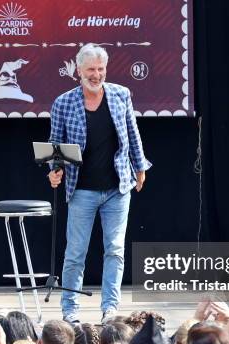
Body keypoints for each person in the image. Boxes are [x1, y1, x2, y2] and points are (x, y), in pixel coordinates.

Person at [48, 43, 152, 324]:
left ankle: (110, 310)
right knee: (75, 253)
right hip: (81, 189)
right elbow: (54, 145)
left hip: (118, 188)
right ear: (78, 70)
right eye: (91, 69)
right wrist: (55, 169)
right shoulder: (63, 102)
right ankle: (70, 310)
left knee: (115, 250)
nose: (96, 74)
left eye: (101, 69)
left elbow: (133, 131)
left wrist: (140, 166)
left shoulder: (121, 95)